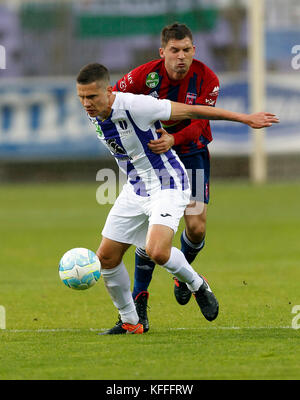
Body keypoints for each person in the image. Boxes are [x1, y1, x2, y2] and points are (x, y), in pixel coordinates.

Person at [76, 62, 278, 334]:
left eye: (92, 97)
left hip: (168, 185)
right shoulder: (94, 114)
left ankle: (197, 284)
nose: (86, 103)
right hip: (135, 190)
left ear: (108, 91)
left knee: (157, 251)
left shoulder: (137, 106)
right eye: (81, 97)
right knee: (107, 259)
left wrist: (245, 118)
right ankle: (131, 322)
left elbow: (194, 110)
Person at [113, 23, 223, 331]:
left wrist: (174, 139)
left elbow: (201, 122)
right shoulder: (142, 76)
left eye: (186, 50)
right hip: (155, 161)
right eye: (174, 50)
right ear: (163, 52)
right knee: (151, 236)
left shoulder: (207, 78)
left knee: (197, 229)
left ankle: (181, 273)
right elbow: (113, 100)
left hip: (192, 156)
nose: (181, 57)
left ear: (193, 50)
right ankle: (140, 300)